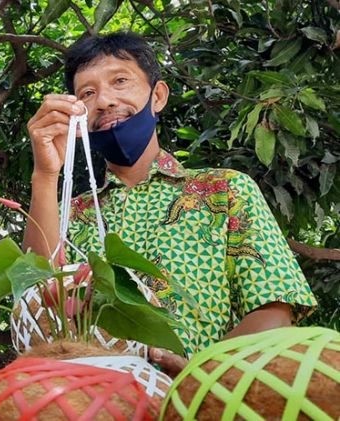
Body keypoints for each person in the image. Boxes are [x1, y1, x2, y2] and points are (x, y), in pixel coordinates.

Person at [23, 32, 317, 377]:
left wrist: (195, 377)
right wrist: (45, 175)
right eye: (87, 93)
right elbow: (36, 306)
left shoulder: (223, 190)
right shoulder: (69, 213)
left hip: (202, 406)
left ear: (157, 96)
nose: (103, 101)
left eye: (120, 81)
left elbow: (272, 316)